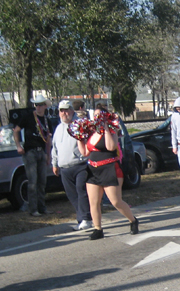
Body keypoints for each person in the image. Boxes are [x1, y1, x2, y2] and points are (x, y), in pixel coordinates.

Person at [78, 105, 139, 240]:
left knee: (116, 201)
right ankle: (98, 229)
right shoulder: (92, 133)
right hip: (93, 170)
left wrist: (105, 127)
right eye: (95, 115)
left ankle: (133, 220)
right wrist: (79, 137)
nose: (96, 118)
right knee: (93, 202)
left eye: (100, 115)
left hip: (109, 168)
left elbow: (110, 147)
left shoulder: (112, 131)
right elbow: (85, 152)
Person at [51, 100, 92, 230]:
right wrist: (55, 163)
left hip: (80, 165)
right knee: (72, 195)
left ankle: (86, 218)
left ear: (72, 110)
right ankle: (81, 219)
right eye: (61, 111)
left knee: (81, 190)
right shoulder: (58, 128)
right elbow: (54, 147)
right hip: (64, 167)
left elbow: (88, 141)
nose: (64, 113)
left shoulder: (79, 124)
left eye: (67, 110)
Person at [13, 93, 52, 216]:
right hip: (30, 151)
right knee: (32, 181)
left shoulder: (47, 120)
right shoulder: (28, 117)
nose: (38, 107)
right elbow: (16, 130)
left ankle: (42, 207)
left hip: (41, 151)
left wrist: (49, 155)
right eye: (36, 105)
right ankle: (33, 209)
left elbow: (48, 139)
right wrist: (18, 146)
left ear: (45, 106)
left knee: (42, 181)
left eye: (40, 105)